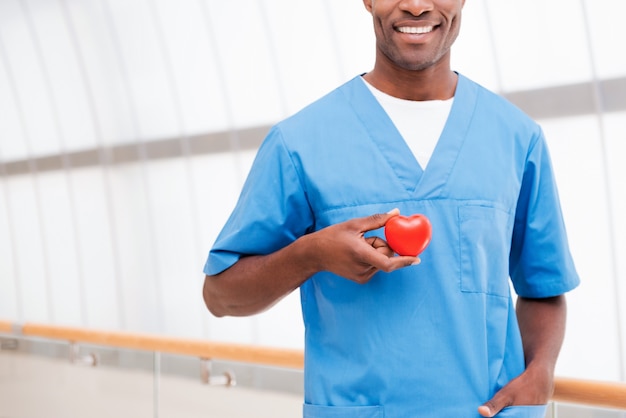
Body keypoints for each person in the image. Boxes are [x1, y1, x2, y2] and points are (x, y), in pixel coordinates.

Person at [202, 0, 580, 416]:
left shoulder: (517, 138)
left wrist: (541, 370)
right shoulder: (300, 143)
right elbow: (221, 295)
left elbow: (543, 288)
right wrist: (312, 254)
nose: (417, 6)